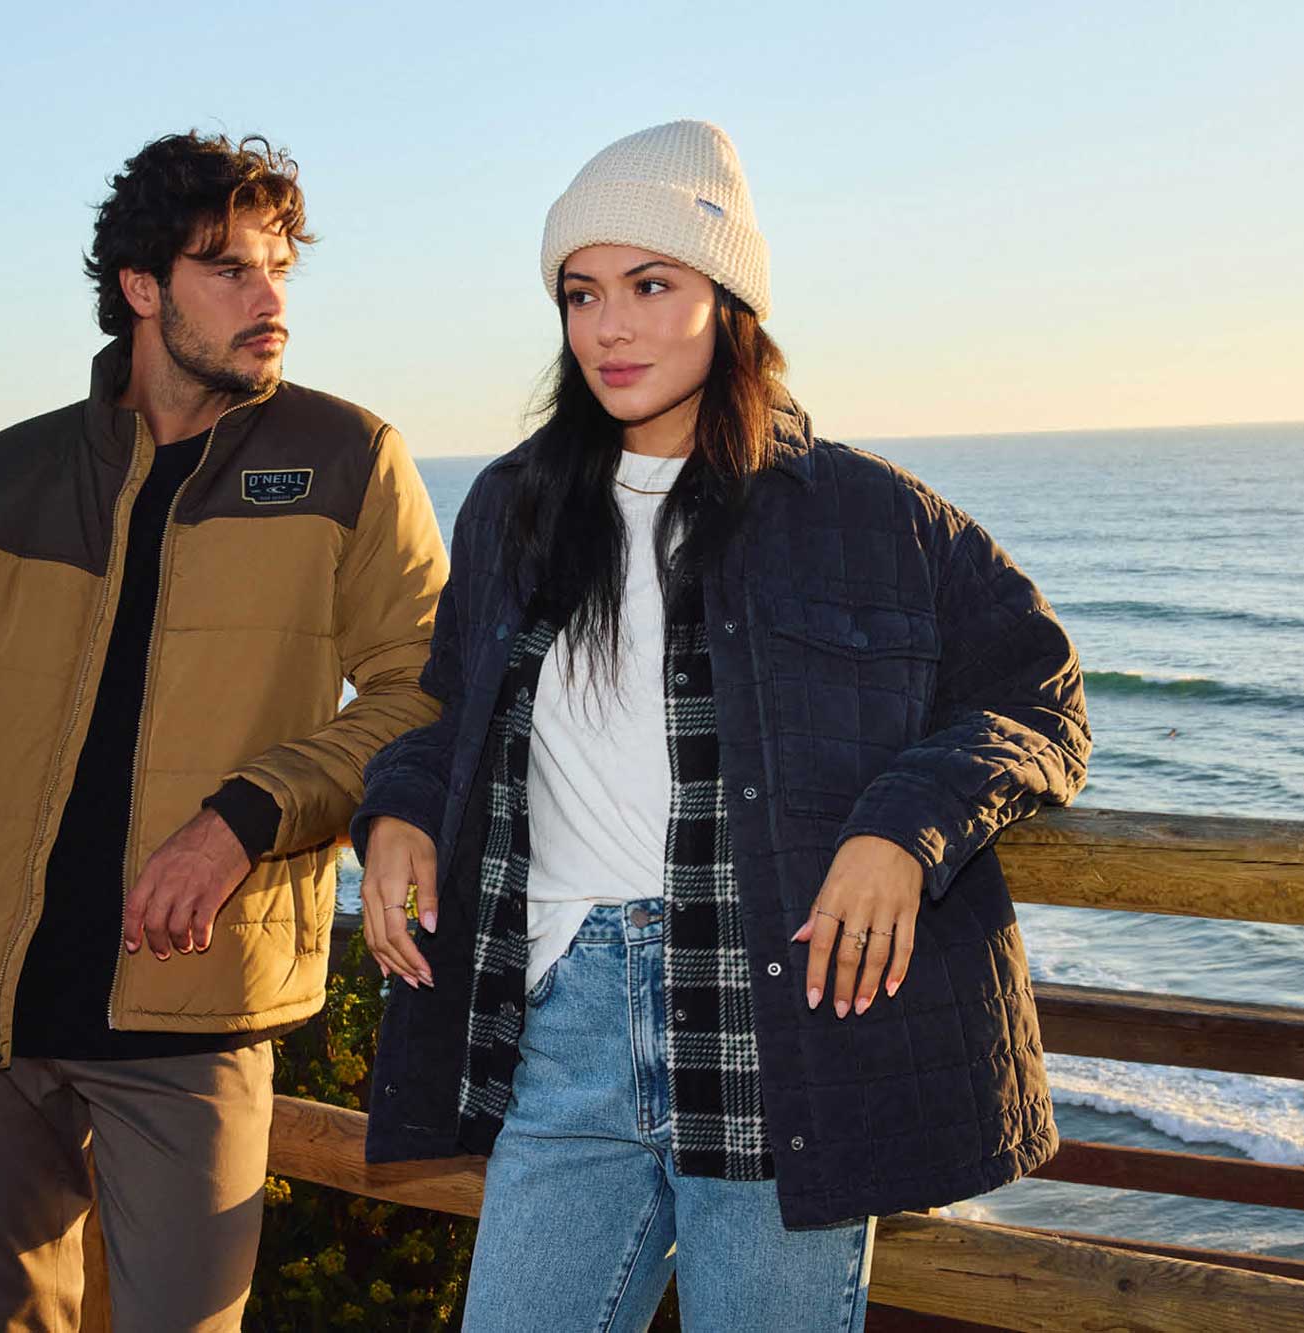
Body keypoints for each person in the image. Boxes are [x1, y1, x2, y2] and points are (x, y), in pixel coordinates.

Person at [351, 121, 1090, 1331]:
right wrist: (394, 809)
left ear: (727, 299)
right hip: (563, 1013)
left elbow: (1037, 695)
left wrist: (901, 828)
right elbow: (448, 712)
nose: (609, 326)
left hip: (774, 1017)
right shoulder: (513, 507)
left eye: (652, 285)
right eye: (581, 293)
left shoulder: (867, 514)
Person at [0, 131, 448, 1332]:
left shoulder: (345, 458)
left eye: (278, 272)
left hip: (195, 1007)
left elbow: (425, 689)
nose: (269, 303)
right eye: (228, 270)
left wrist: (244, 817)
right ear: (142, 290)